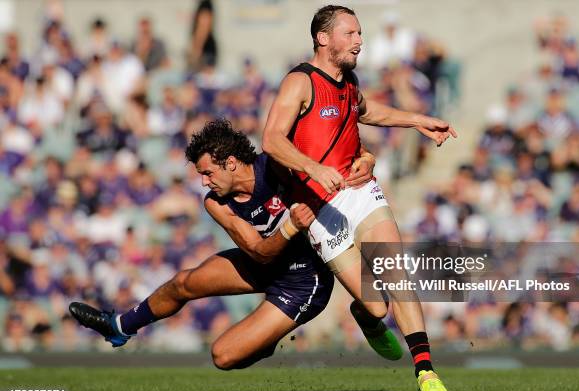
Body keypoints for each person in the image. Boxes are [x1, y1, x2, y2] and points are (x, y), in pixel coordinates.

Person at [262, 5, 456, 391]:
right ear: (323, 38)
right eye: (350, 34)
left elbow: (369, 112)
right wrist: (313, 169)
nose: (359, 41)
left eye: (360, 34)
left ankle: (425, 371)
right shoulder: (300, 81)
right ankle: (367, 317)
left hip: (359, 192)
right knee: (377, 308)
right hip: (318, 208)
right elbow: (271, 141)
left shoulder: (349, 82)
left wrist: (418, 119)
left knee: (394, 268)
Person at [69, 119, 374, 369]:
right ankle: (119, 326)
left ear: (230, 163)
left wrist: (367, 156)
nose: (203, 182)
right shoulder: (217, 203)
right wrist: (292, 226)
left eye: (207, 173)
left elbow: (333, 146)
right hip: (266, 262)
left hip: (303, 282)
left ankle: (264, 342)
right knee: (183, 283)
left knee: (223, 356)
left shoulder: (275, 167)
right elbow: (258, 252)